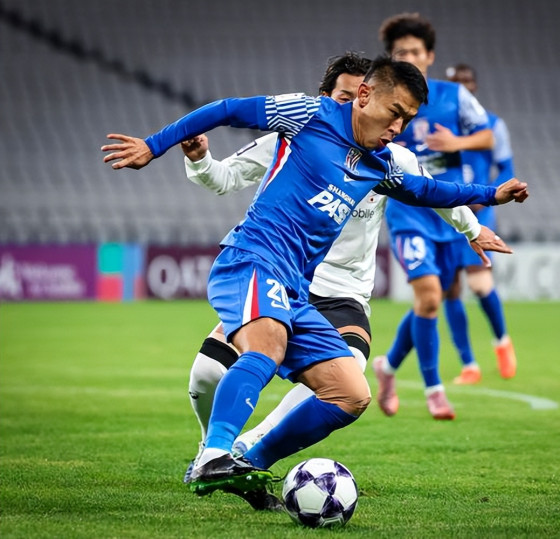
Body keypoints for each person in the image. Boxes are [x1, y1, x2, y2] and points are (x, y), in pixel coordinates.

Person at [102, 56, 528, 506]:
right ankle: (212, 454)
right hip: (253, 259)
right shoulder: (309, 115)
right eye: (394, 112)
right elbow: (228, 109)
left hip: (297, 290)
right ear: (364, 95)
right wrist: (155, 145)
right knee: (255, 351)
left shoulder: (381, 164)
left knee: (351, 393)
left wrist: (490, 196)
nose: (398, 127)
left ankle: (249, 463)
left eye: (406, 119)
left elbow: (427, 190)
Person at [373, 13, 496, 420]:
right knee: (427, 297)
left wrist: (457, 142)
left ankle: (388, 366)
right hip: (408, 211)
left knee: (430, 303)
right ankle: (435, 391)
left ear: (429, 56)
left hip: (448, 213)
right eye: (400, 53)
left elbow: (488, 135)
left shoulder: (454, 96)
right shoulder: (385, 99)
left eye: (415, 51)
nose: (409, 58)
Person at [443, 62, 518, 384]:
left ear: (474, 86)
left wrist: (488, 194)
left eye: (467, 81)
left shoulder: (492, 126)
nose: (463, 87)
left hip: (479, 210)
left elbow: (506, 167)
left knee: (479, 284)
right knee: (449, 288)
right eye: (457, 82)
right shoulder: (440, 126)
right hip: (447, 209)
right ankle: (469, 364)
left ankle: (502, 341)